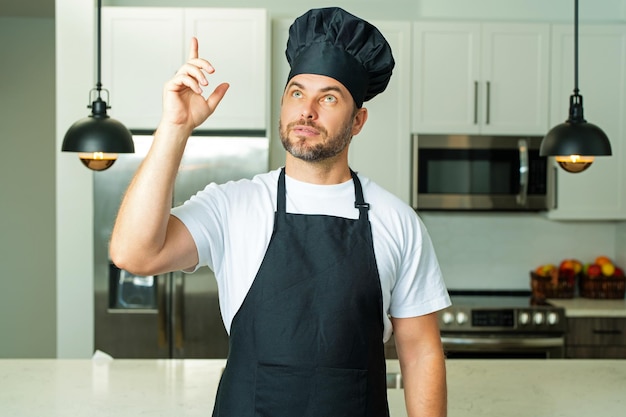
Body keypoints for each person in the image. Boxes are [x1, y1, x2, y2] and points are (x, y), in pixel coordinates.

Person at [110, 7, 450, 417]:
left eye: (328, 97)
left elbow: (420, 353)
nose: (307, 110)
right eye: (296, 92)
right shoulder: (234, 205)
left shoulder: (396, 221)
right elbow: (134, 254)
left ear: (358, 120)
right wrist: (175, 127)